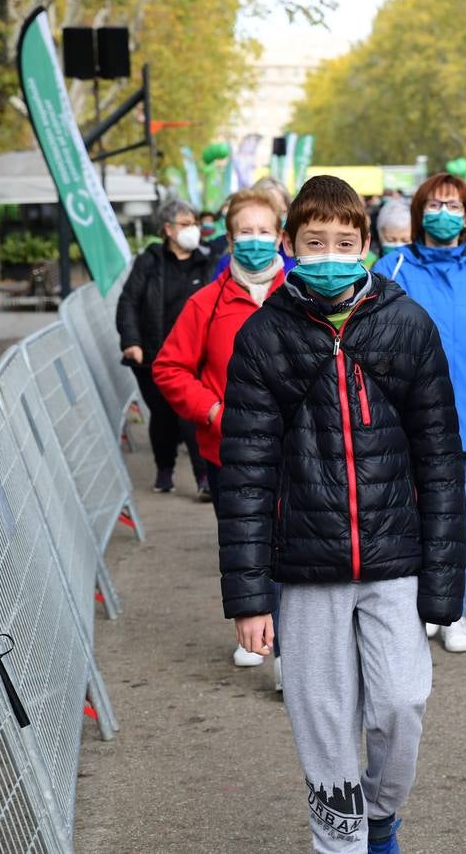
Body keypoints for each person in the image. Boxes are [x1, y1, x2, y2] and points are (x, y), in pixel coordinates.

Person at [219, 175, 465, 854]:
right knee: (323, 725)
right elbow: (243, 475)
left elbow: (439, 461)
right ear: (291, 246)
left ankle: (382, 811)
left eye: (345, 242)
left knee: (400, 704)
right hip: (304, 573)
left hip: (395, 564)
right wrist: (248, 597)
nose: (331, 253)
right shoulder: (263, 338)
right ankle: (344, 840)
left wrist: (445, 589)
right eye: (315, 241)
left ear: (366, 246)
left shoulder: (408, 324)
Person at [153, 189, 288, 676]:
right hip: (228, 451)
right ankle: (255, 631)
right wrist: (212, 411)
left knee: (292, 544)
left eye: (264, 231)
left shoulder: (300, 296)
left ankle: (289, 650)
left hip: (296, 448)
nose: (255, 240)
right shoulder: (206, 303)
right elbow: (169, 368)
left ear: (282, 237)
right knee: (249, 545)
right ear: (229, 239)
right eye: (245, 232)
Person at [372, 172, 466, 654]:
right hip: (409, 424)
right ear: (418, 212)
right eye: (435, 204)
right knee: (411, 519)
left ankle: (455, 612)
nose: (444, 214)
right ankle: (415, 608)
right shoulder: (393, 267)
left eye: (454, 206)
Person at [116, 198, 214, 498]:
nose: (193, 230)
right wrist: (132, 342)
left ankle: (203, 479)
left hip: (195, 359)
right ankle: (164, 469)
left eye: (194, 223)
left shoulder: (207, 262)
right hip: (153, 357)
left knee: (190, 416)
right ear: (168, 230)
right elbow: (128, 302)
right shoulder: (149, 262)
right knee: (162, 416)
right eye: (185, 224)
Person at [367, 199, 412, 269]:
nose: (398, 245)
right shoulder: (369, 262)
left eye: (405, 240)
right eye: (391, 240)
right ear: (381, 236)